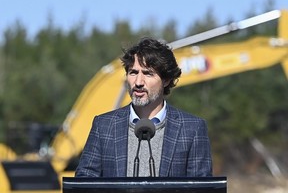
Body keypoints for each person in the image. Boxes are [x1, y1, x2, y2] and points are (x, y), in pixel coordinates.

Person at [75, 37, 213, 177]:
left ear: (166, 80)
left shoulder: (192, 129)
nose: (138, 82)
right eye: (133, 72)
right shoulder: (104, 126)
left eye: (148, 73)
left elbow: (200, 187)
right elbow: (84, 183)